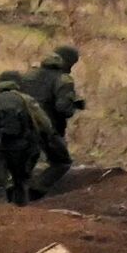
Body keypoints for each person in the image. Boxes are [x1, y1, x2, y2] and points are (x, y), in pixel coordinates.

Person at [0, 71, 56, 206]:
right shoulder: (26, 100)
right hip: (23, 148)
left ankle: (1, 198)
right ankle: (20, 211)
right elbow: (46, 126)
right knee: (22, 181)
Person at [19, 45, 85, 199]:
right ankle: (35, 191)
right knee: (61, 162)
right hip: (46, 128)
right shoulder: (63, 80)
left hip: (20, 125)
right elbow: (63, 109)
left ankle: (15, 192)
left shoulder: (29, 74)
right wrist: (75, 105)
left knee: (28, 158)